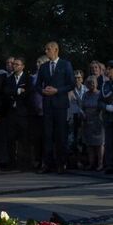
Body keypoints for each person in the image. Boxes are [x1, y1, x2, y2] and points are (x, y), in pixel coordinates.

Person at [35, 42, 75, 174]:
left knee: (61, 135)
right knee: (47, 135)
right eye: (45, 49)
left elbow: (71, 84)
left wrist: (57, 90)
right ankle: (47, 164)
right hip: (48, 105)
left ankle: (61, 164)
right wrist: (43, 91)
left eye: (48, 49)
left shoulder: (65, 64)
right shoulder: (44, 67)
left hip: (60, 105)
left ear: (56, 50)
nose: (46, 51)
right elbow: (37, 85)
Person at [1, 57, 34, 170]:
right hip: (11, 112)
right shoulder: (9, 79)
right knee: (10, 139)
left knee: (24, 139)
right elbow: (5, 92)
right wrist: (18, 91)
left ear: (23, 66)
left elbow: (28, 93)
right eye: (14, 64)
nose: (14, 66)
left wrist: (15, 93)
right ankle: (11, 163)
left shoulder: (28, 79)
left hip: (23, 113)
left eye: (17, 64)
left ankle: (25, 163)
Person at [82, 75, 105, 170]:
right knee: (89, 144)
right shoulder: (85, 94)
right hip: (87, 120)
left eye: (93, 82)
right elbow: (82, 106)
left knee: (99, 144)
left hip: (98, 121)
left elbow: (103, 106)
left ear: (96, 83)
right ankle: (91, 163)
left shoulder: (100, 94)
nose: (91, 84)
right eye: (89, 83)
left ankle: (100, 164)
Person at [68, 70, 87, 169]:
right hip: (72, 118)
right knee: (71, 140)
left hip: (83, 119)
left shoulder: (86, 90)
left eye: (79, 77)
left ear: (82, 79)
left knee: (81, 141)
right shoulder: (70, 90)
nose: (77, 79)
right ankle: (72, 162)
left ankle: (81, 161)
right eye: (75, 78)